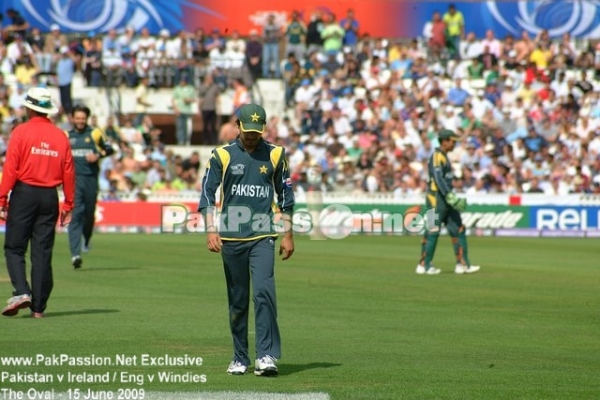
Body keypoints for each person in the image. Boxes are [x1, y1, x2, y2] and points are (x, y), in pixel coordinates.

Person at [198, 104, 295, 376]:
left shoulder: (276, 154)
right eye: (248, 131)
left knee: (264, 293)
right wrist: (210, 229)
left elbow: (286, 197)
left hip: (263, 235)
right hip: (231, 236)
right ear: (237, 126)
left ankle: (266, 356)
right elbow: (207, 194)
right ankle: (240, 357)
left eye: (257, 131)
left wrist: (288, 234)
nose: (252, 136)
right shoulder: (222, 155)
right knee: (238, 300)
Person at [0, 87, 75, 318]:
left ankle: (22, 291)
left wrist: (2, 197)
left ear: (29, 107)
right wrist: (68, 204)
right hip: (49, 196)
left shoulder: (21, 132)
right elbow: (69, 171)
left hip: (25, 192)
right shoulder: (60, 136)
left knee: (14, 247)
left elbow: (11, 168)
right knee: (42, 251)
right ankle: (39, 308)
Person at [416, 129, 480, 275]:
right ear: (445, 141)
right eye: (453, 141)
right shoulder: (437, 156)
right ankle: (424, 265)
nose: (454, 144)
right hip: (435, 199)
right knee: (432, 230)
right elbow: (438, 179)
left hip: (445, 199)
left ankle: (463, 264)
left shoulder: (444, 156)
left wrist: (450, 196)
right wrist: (449, 195)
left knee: (458, 228)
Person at [67, 105, 114, 269]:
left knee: (88, 214)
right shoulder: (66, 136)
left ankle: (86, 238)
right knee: (76, 214)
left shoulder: (95, 133)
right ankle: (75, 254)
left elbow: (110, 148)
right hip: (74, 180)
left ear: (86, 118)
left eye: (83, 118)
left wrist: (98, 155)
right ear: (72, 118)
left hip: (90, 179)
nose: (80, 121)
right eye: (77, 118)